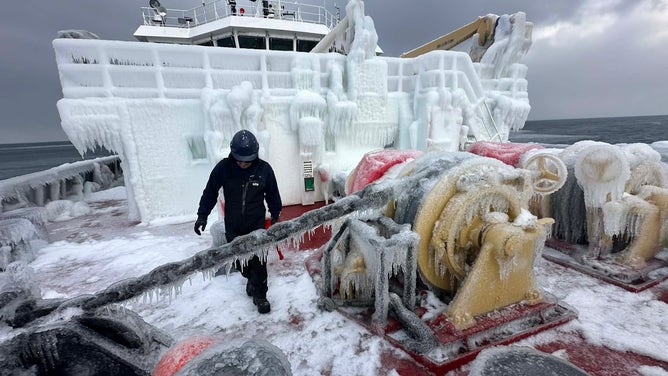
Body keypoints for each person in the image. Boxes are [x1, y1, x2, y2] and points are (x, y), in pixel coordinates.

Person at [194, 130, 282, 314]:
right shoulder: (224, 168)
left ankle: (261, 296)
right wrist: (202, 215)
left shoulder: (264, 169)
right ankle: (249, 279)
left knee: (259, 261)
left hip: (255, 225)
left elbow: (273, 194)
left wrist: (275, 214)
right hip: (233, 226)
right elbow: (210, 192)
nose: (243, 163)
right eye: (239, 159)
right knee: (241, 263)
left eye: (247, 160)